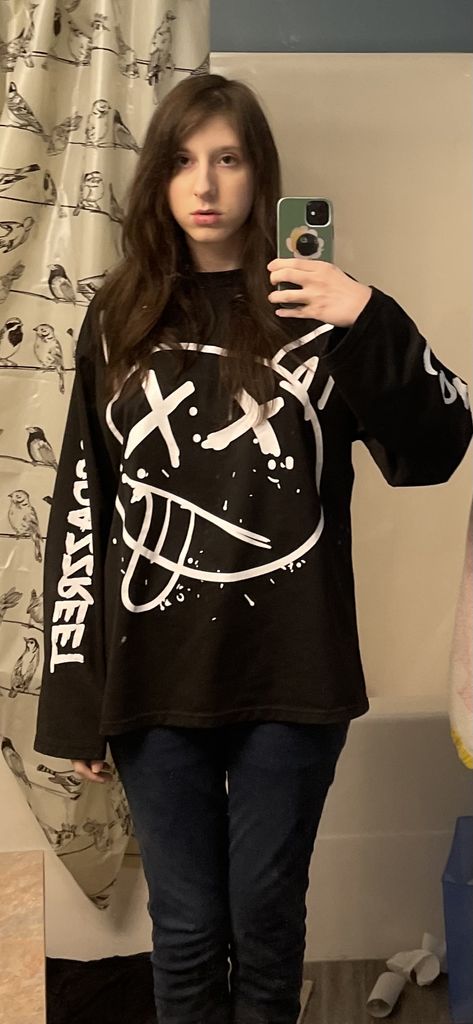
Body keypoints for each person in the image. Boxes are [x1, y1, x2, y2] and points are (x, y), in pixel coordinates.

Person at [34, 74, 472, 1024]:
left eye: (227, 159)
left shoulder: (317, 307)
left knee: (267, 926)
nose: (205, 184)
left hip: (292, 673)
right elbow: (84, 509)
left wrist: (367, 316)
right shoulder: (117, 315)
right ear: (157, 178)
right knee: (188, 933)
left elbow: (437, 449)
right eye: (183, 160)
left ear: (259, 173)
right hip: (154, 679)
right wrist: (74, 700)